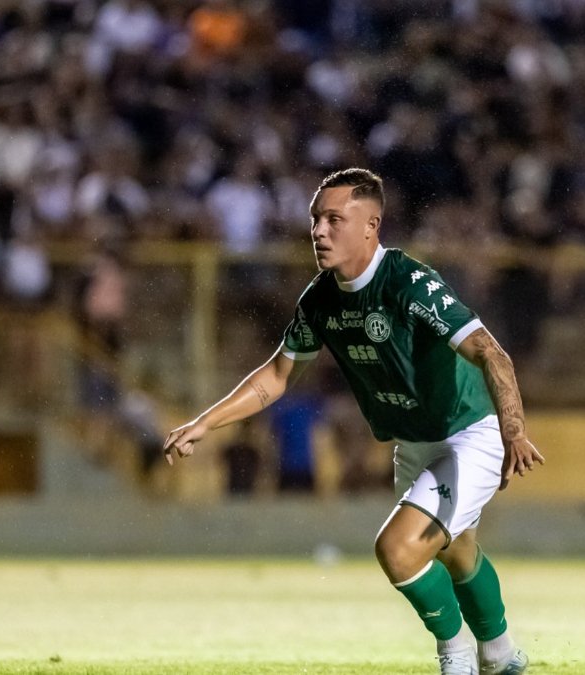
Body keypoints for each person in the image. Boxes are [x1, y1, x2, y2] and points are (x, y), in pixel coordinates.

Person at [164, 168, 544, 675]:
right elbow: (276, 377)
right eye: (316, 219)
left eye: (334, 219)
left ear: (371, 226)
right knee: (457, 553)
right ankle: (500, 654)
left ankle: (457, 656)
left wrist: (512, 431)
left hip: (468, 434)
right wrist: (205, 423)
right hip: (413, 443)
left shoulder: (410, 283)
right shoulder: (320, 299)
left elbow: (491, 353)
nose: (319, 231)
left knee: (398, 550)